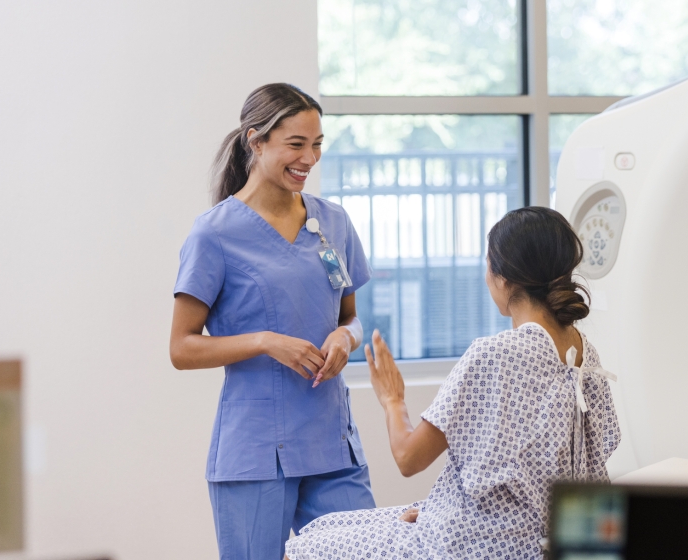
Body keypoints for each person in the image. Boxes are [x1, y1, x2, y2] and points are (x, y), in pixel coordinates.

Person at [285, 206, 621, 559]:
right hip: (538, 541)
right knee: (329, 526)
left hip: (473, 544)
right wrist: (440, 509)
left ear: (502, 277)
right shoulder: (585, 357)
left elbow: (408, 459)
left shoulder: (494, 355)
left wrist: (393, 400)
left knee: (304, 547)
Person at [170, 83, 375, 560]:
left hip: (332, 443)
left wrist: (347, 338)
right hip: (256, 451)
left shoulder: (333, 223)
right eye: (296, 144)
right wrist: (264, 341)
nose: (310, 157)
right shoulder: (214, 235)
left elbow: (353, 319)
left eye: (318, 144)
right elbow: (181, 348)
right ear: (255, 141)